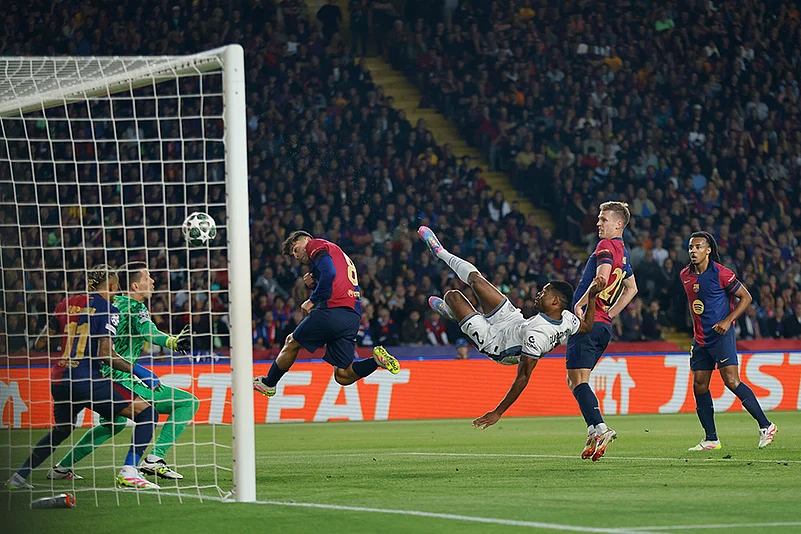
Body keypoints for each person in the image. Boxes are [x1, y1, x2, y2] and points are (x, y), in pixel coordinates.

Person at [419, 226, 603, 429]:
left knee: (452, 296)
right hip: (514, 321)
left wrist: (498, 412)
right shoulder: (568, 319)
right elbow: (586, 326)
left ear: (555, 302)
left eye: (544, 292)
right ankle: (440, 251)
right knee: (476, 280)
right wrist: (592, 296)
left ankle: (455, 315)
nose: (538, 294)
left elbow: (523, 378)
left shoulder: (537, 335)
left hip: (495, 342)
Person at [6, 265, 161, 490]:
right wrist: (139, 371)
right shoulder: (109, 309)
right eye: (117, 286)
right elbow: (106, 354)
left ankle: (18, 478)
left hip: (60, 380)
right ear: (111, 286)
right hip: (87, 379)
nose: (117, 291)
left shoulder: (64, 304)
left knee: (62, 429)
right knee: (147, 413)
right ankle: (129, 472)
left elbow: (40, 342)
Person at [51, 262, 197, 481]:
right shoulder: (136, 308)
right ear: (135, 286)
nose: (153, 281)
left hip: (98, 378)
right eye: (147, 277)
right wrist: (172, 342)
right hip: (123, 380)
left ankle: (61, 468)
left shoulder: (109, 303)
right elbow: (149, 331)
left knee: (113, 424)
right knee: (187, 402)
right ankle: (153, 459)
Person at [253, 231, 400, 396]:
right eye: (293, 255)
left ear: (306, 239)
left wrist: (312, 300)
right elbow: (334, 279)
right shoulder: (336, 252)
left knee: (292, 341)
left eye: (295, 249)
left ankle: (269, 383)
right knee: (343, 375)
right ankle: (376, 361)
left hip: (333, 309)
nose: (296, 256)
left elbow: (329, 273)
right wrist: (314, 283)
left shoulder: (315, 245)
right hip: (352, 316)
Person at [681, 232, 777, 450]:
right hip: (700, 339)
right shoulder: (685, 275)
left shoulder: (722, 273)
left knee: (732, 381)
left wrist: (728, 321)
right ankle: (711, 439)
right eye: (690, 247)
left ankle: (766, 425)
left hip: (721, 336)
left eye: (698, 247)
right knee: (699, 385)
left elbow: (746, 297)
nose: (693, 251)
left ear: (708, 250)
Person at [569, 201, 638, 461]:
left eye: (604, 219)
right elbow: (632, 289)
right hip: (603, 326)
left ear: (619, 224)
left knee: (578, 381)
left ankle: (600, 428)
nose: (598, 223)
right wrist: (610, 313)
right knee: (575, 380)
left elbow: (601, 279)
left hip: (588, 323)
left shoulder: (606, 247)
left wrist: (581, 303)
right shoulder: (623, 252)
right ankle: (592, 430)